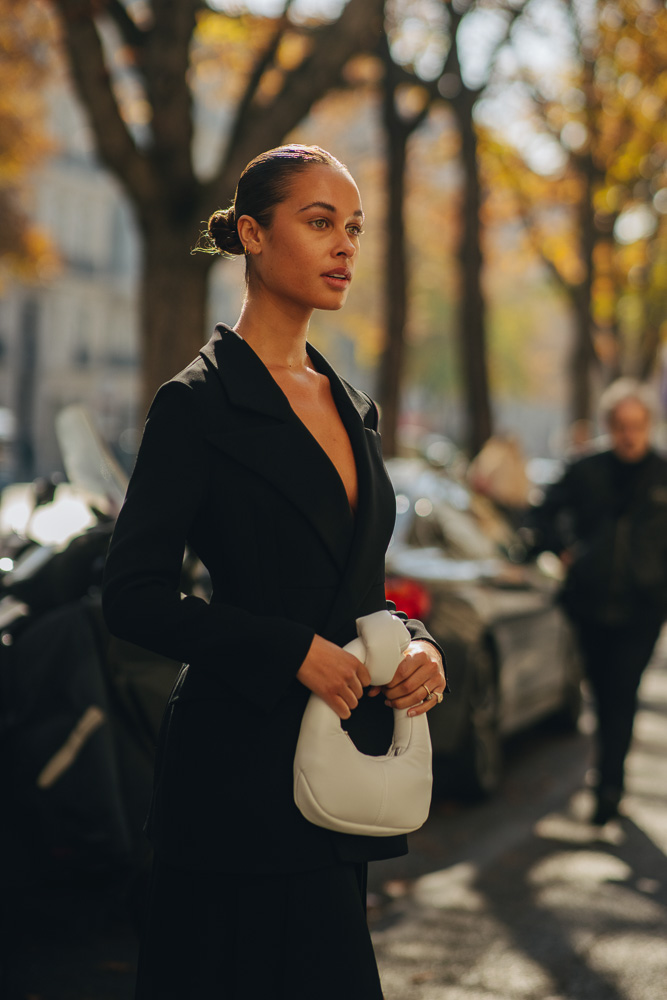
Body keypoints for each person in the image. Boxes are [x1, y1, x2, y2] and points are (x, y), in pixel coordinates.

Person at [102, 144, 446, 1000]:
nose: (345, 247)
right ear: (251, 235)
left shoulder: (352, 404)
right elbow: (132, 595)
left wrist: (415, 642)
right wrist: (289, 649)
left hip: (340, 780)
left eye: (355, 228)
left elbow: (357, 583)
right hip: (230, 786)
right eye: (320, 222)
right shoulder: (197, 402)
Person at [530, 378, 667, 825]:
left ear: (650, 426)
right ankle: (606, 773)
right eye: (621, 425)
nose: (629, 434)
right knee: (600, 691)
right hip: (588, 605)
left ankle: (609, 784)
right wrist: (561, 549)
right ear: (610, 425)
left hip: (643, 608)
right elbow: (541, 514)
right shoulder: (585, 469)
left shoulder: (663, 473)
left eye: (638, 425)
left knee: (622, 692)